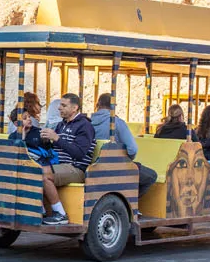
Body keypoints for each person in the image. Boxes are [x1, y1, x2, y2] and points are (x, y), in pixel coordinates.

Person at [37, 93, 96, 225]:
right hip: (59, 165)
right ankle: (40, 210)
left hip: (76, 168)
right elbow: (57, 148)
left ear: (74, 108)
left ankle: (60, 214)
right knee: (31, 169)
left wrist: (57, 138)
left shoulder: (85, 125)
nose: (59, 108)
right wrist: (46, 140)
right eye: (60, 105)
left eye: (64, 105)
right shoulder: (61, 124)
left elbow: (79, 153)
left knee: (42, 173)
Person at [90, 92, 157, 190]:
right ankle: (129, 198)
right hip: (113, 165)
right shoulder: (117, 123)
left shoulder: (88, 122)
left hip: (92, 166)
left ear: (98, 105)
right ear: (114, 106)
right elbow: (132, 149)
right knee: (151, 176)